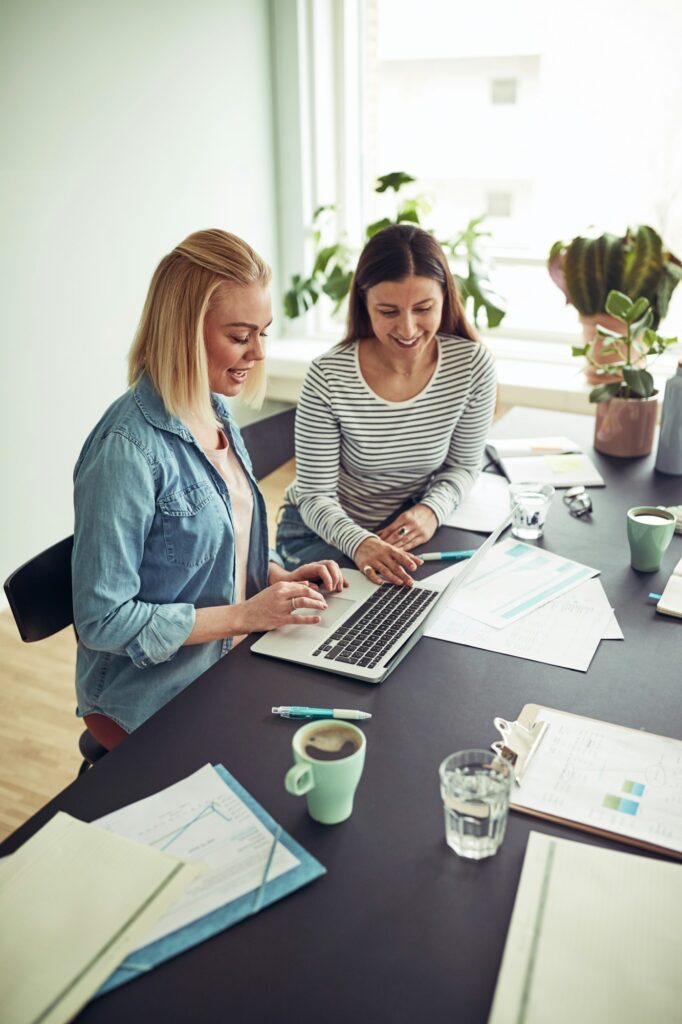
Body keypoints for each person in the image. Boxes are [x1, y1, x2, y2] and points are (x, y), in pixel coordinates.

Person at [72, 229, 344, 748]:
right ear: (184, 331)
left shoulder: (214, 411)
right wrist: (245, 614)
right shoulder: (124, 450)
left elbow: (209, 550)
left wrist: (274, 580)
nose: (258, 352)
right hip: (152, 696)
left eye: (262, 333)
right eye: (241, 336)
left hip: (227, 657)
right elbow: (103, 620)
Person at [276, 223, 497, 587]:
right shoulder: (328, 376)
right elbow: (315, 495)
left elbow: (462, 466)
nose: (408, 329)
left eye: (423, 308)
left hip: (406, 529)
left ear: (445, 297)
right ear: (365, 304)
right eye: (389, 311)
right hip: (322, 535)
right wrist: (362, 542)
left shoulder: (472, 366)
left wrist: (430, 511)